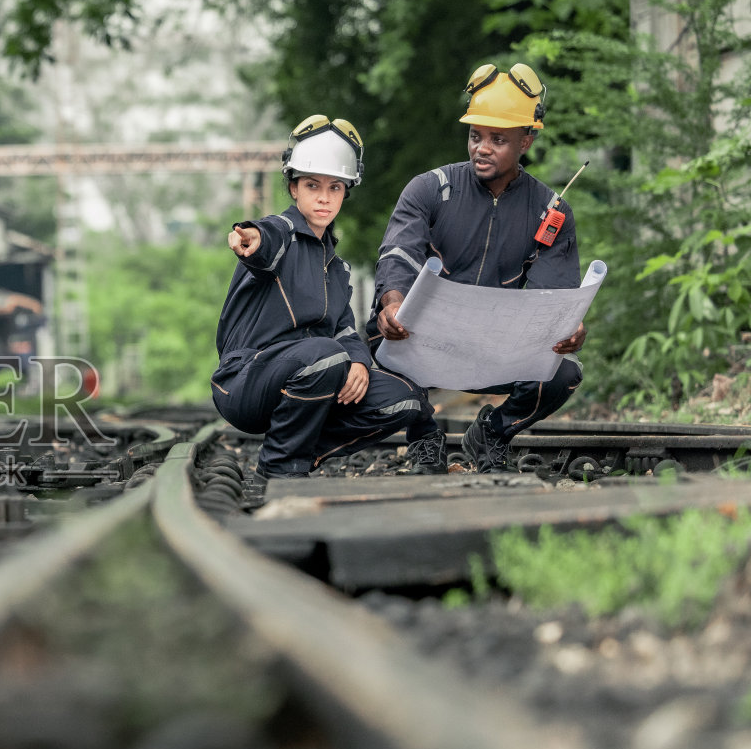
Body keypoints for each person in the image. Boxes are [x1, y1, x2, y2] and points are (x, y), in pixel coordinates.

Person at [372, 62, 586, 473]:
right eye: (475, 136)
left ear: (526, 140)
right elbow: (398, 253)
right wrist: (392, 303)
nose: (481, 148)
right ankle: (423, 437)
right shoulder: (428, 190)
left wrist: (566, 329)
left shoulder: (550, 212)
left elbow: (552, 298)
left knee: (563, 374)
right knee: (371, 357)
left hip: (496, 351)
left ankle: (493, 433)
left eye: (497, 139)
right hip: (421, 344)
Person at [211, 116, 426, 499]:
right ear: (294, 188)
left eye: (335, 187)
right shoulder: (282, 236)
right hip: (244, 383)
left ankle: (298, 454)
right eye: (312, 185)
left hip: (311, 373)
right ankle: (279, 469)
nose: (324, 197)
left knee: (404, 398)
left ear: (346, 192)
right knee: (325, 356)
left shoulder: (336, 268)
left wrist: (359, 361)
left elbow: (344, 328)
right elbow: (265, 239)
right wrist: (251, 239)